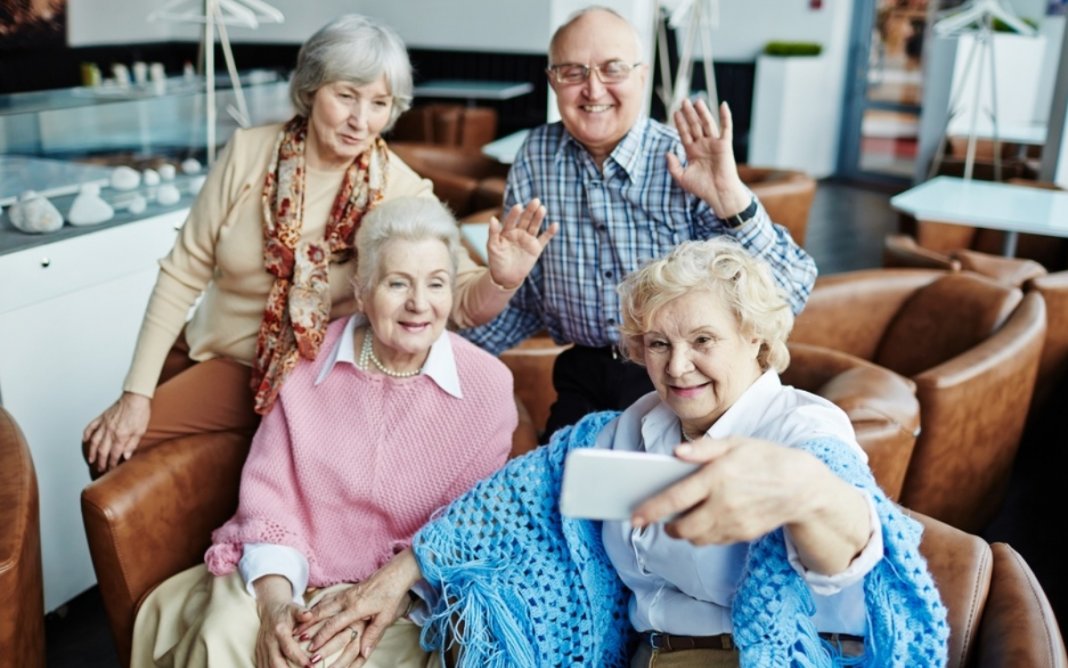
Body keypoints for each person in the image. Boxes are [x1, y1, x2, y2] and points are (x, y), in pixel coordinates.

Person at [302, 238, 948, 667]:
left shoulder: (805, 431)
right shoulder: (634, 426)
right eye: (657, 344)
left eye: (702, 339)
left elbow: (852, 537)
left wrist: (804, 493)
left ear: (756, 340)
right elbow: (508, 500)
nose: (678, 366)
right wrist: (394, 579)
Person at [83, 13, 553, 474]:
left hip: (295, 372)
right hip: (204, 345)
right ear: (310, 90)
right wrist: (136, 392)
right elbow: (184, 272)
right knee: (103, 443)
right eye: (346, 96)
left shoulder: (398, 188)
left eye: (379, 103)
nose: (360, 120)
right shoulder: (249, 151)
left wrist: (501, 279)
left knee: (118, 453)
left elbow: (461, 301)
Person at [129, 197, 518, 668]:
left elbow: (465, 529)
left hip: (403, 595)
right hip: (282, 570)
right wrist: (275, 606)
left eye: (436, 283)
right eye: (398, 283)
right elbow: (269, 501)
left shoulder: (486, 387)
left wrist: (382, 599)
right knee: (225, 635)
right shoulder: (307, 363)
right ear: (362, 290)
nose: (419, 304)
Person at [462, 6, 817, 438]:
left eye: (612, 69)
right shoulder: (535, 157)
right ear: (553, 80)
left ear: (641, 75)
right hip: (583, 372)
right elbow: (530, 300)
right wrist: (442, 352)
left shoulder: (685, 158)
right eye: (573, 72)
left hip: (680, 374)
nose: (593, 89)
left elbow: (791, 290)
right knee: (562, 489)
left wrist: (730, 198)